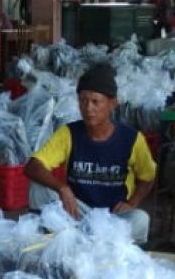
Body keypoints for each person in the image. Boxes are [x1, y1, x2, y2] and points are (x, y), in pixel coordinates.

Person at [24, 63, 157, 244]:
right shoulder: (69, 133)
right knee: (39, 186)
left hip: (113, 217)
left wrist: (132, 203)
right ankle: (58, 238)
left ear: (112, 104)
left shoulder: (132, 139)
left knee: (140, 219)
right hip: (78, 212)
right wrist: (63, 189)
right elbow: (33, 166)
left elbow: (147, 176)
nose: (88, 108)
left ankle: (90, 241)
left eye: (95, 101)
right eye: (83, 100)